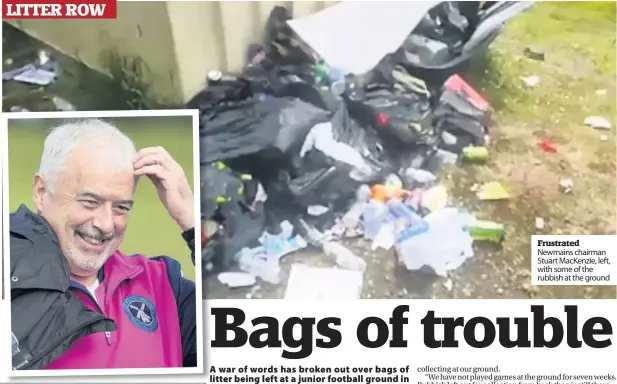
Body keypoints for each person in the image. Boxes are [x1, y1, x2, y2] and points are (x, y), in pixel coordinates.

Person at [9, 118, 197, 370]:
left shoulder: (163, 284)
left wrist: (193, 221)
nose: (107, 224)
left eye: (121, 207)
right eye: (90, 201)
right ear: (41, 192)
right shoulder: (10, 282)